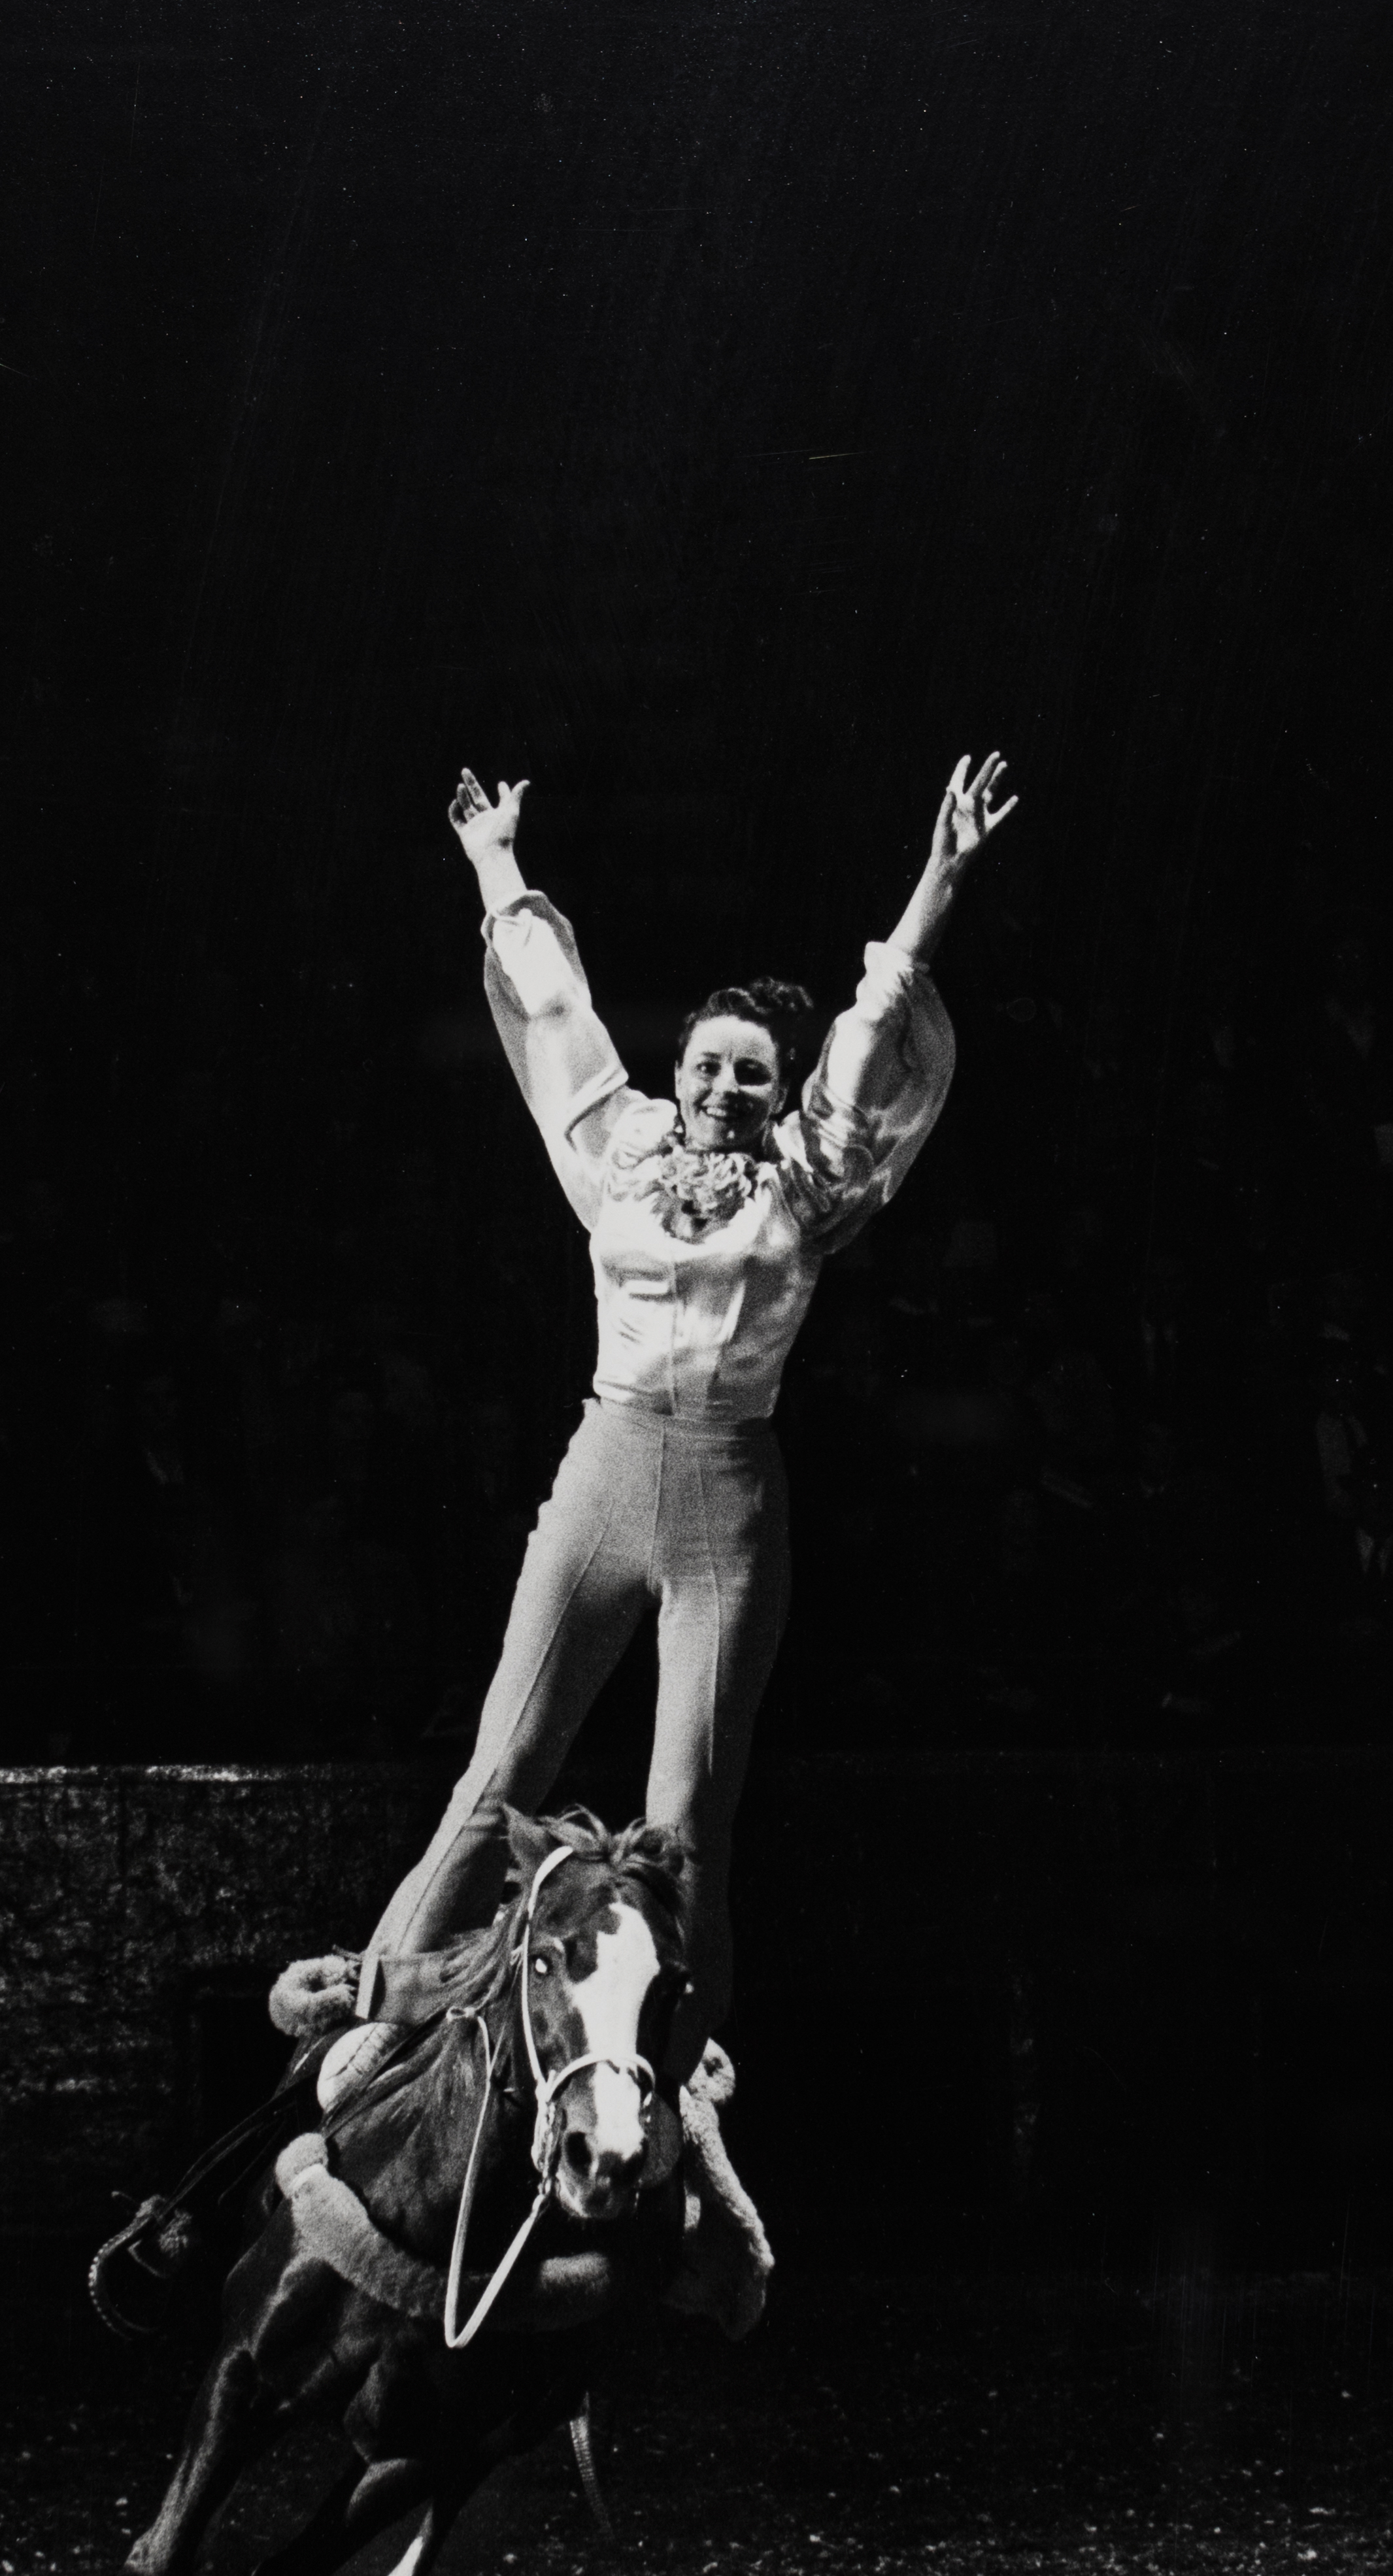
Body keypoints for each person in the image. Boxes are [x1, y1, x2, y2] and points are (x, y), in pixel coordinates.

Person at [278, 750, 1017, 2299]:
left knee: (686, 1830)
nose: (724, 1085)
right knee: (501, 1770)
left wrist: (940, 874)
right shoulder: (612, 1148)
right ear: (679, 1061)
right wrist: (494, 860)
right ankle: (372, 2038)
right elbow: (552, 1020)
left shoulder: (811, 1180)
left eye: (755, 1070)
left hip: (728, 1503)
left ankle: (674, 2114)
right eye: (711, 1061)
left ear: (781, 1089)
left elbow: (880, 1034)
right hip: (604, 1476)